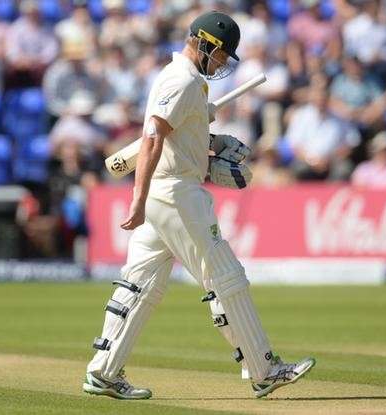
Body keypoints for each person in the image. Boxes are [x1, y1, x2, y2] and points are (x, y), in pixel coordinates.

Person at [82, 11, 315, 400]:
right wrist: (137, 199)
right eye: (222, 53)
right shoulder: (182, 79)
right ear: (204, 42)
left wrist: (212, 141)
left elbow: (175, 138)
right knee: (226, 278)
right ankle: (264, 369)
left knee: (140, 284)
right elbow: (153, 137)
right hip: (175, 194)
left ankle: (103, 372)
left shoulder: (188, 82)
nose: (224, 61)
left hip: (168, 191)